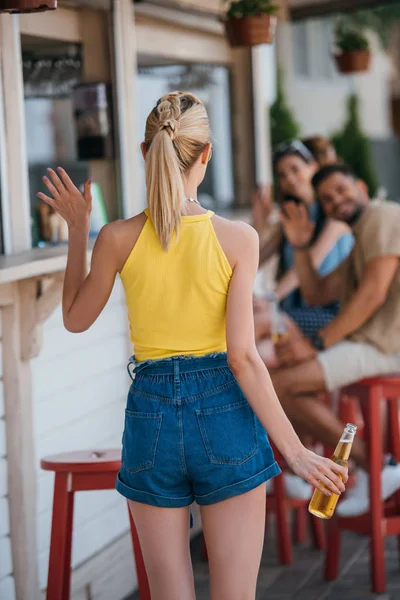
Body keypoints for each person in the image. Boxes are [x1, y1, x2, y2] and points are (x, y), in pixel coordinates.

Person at [37, 92, 347, 600]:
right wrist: (295, 452)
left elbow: (74, 319)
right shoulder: (237, 238)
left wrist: (78, 230)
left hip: (150, 418)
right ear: (206, 154)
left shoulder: (115, 237)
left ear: (144, 151)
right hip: (225, 411)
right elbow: (243, 357)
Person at [272, 163, 400, 517]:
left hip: (387, 346)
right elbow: (316, 294)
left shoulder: (381, 216)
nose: (336, 201)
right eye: (327, 199)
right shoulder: (362, 233)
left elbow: (373, 293)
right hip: (374, 344)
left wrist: (317, 345)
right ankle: (369, 466)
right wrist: (299, 246)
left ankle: (375, 467)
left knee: (279, 386)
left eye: (341, 190)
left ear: (361, 185)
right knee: (284, 381)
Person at [253, 140, 353, 356]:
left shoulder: (335, 215)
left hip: (330, 313)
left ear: (313, 168)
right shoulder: (291, 217)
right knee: (247, 327)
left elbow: (307, 267)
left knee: (256, 328)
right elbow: (254, 260)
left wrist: (270, 299)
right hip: (295, 311)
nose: (289, 178)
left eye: (295, 169)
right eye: (282, 174)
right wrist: (257, 225)